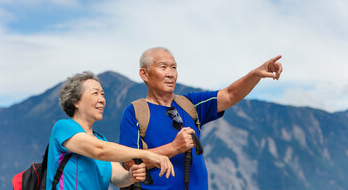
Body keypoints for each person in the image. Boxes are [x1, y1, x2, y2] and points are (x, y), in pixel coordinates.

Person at [119, 47, 283, 190]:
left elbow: (229, 94)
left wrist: (256, 75)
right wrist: (173, 148)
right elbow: (130, 164)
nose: (170, 74)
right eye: (163, 67)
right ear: (144, 74)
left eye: (174, 67)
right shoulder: (135, 112)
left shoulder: (190, 104)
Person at [46, 71, 174, 190]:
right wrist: (147, 154)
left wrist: (130, 176)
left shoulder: (101, 140)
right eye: (95, 93)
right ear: (75, 101)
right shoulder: (63, 127)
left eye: (103, 94)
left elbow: (116, 177)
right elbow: (99, 150)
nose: (102, 100)